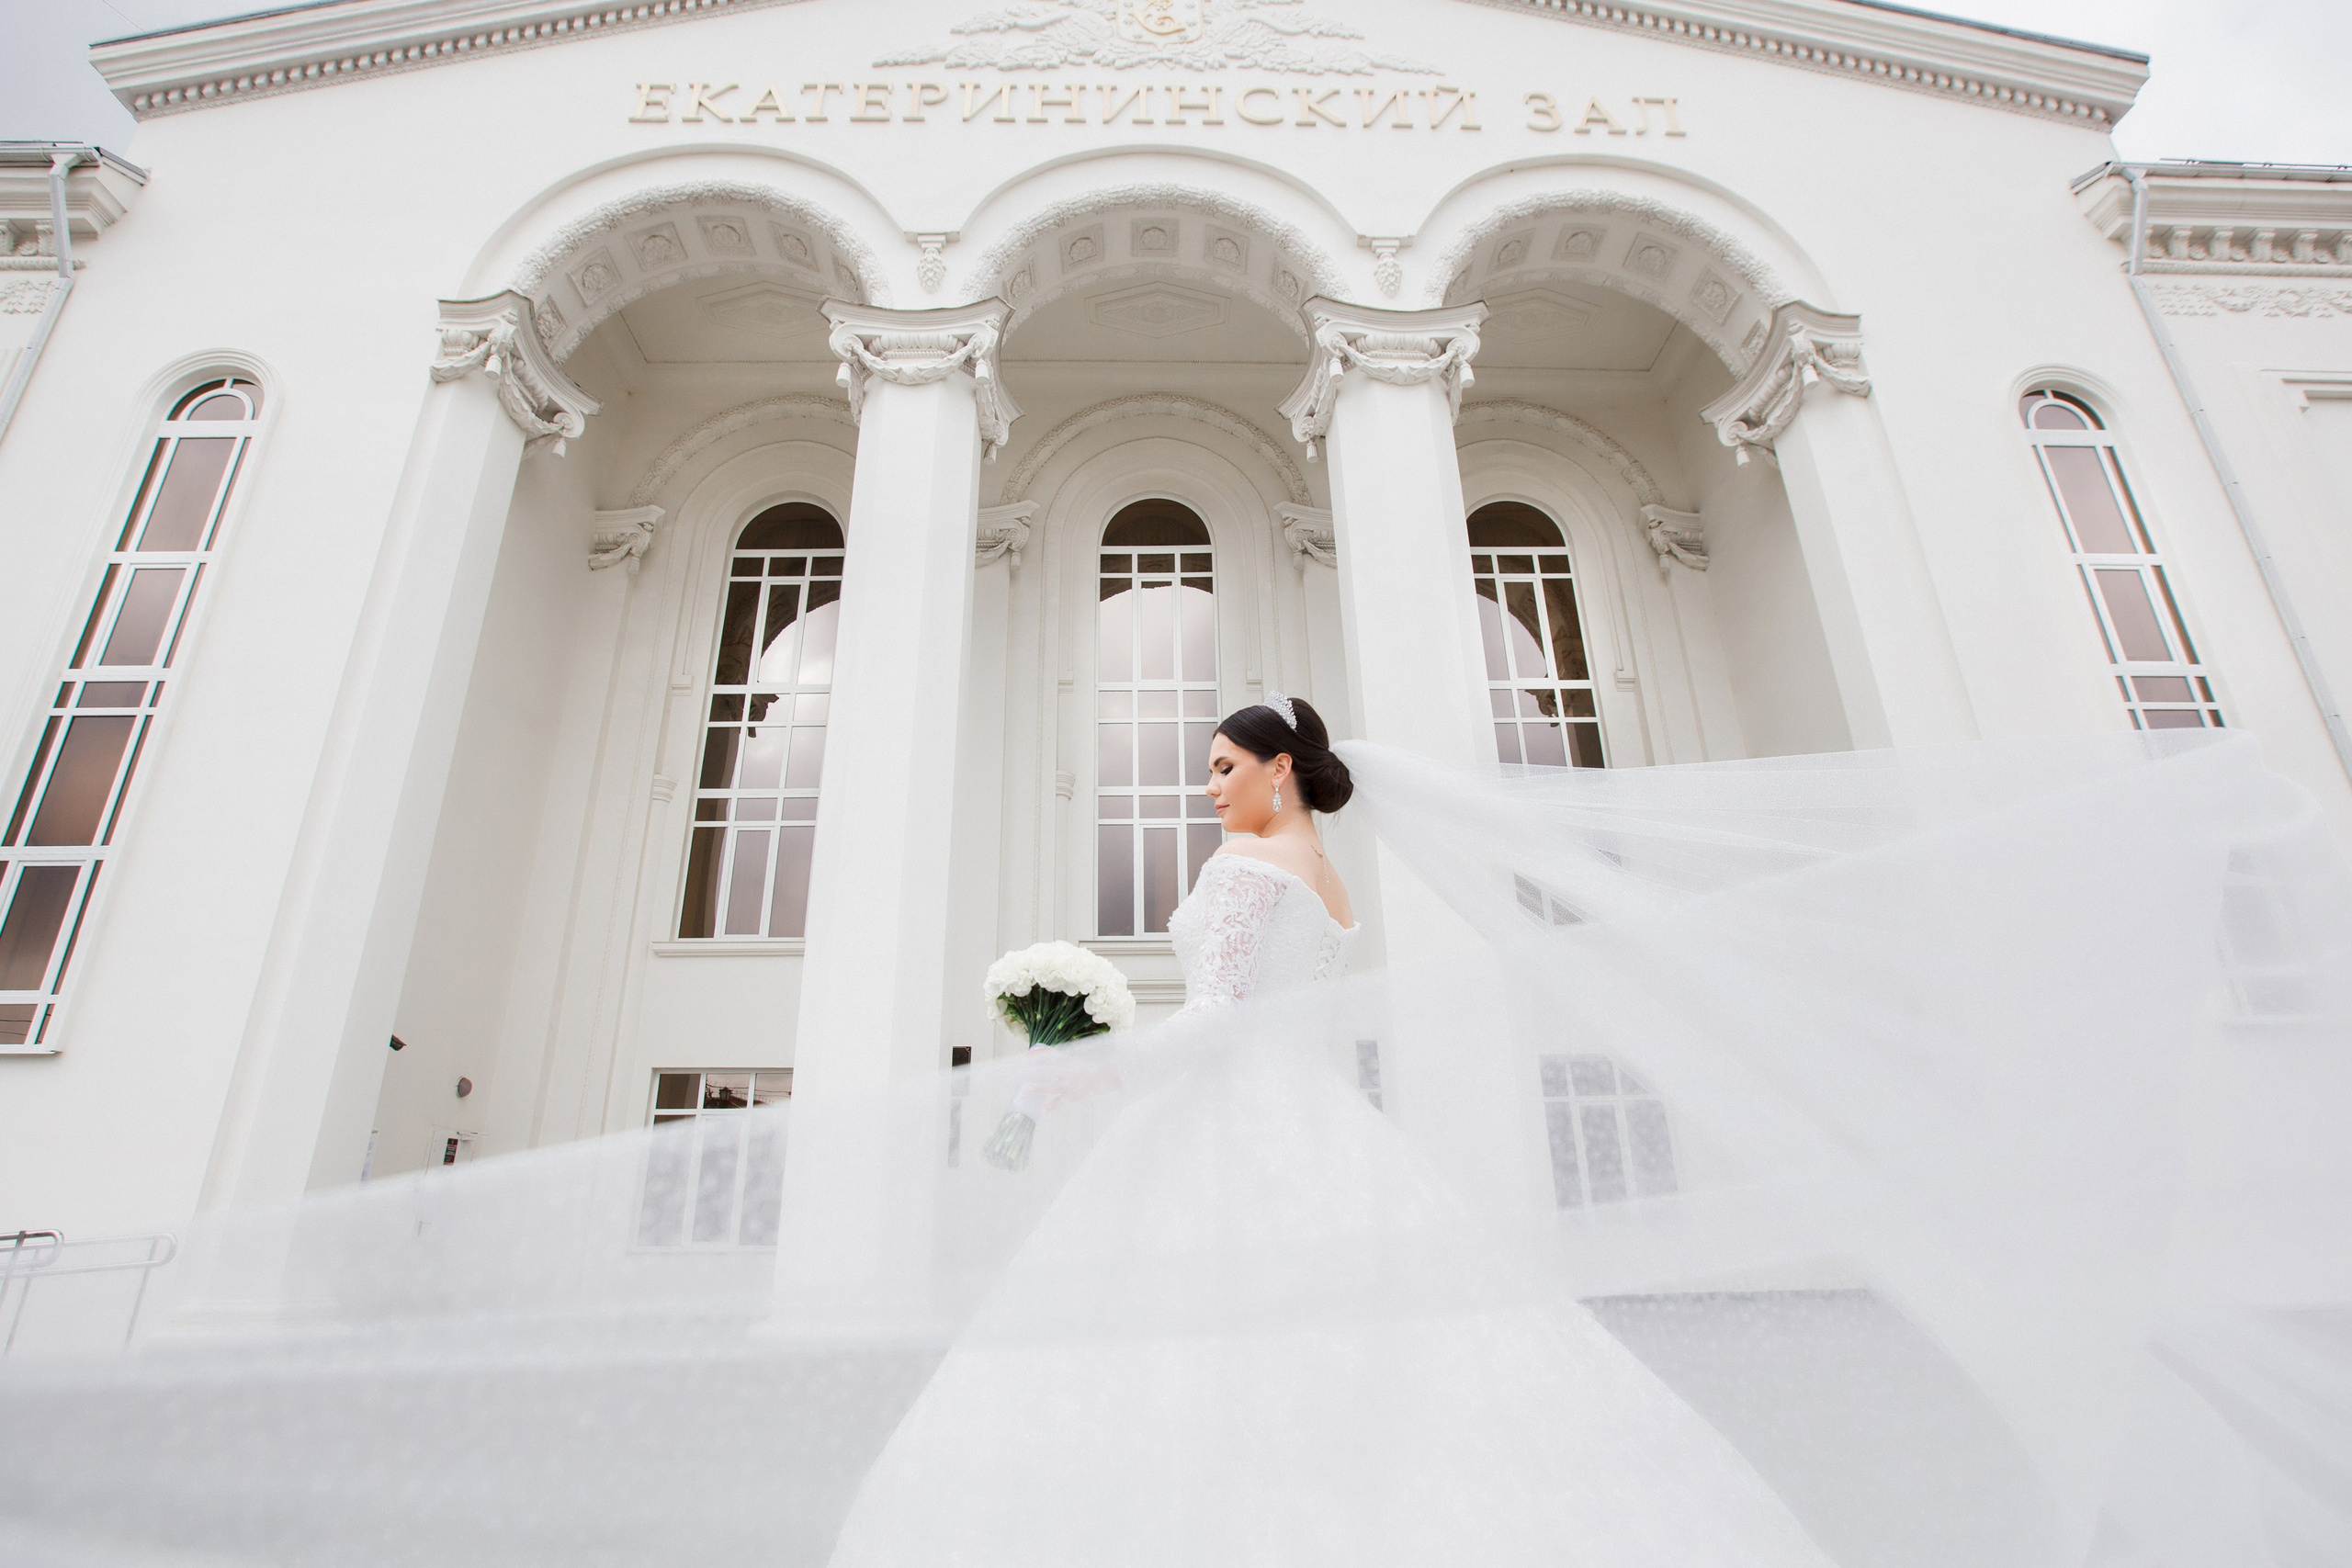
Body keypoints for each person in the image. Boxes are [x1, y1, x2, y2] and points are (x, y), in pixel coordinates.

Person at [823, 694, 1837, 1567]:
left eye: (1224, 768)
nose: (1210, 788)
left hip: (1225, 1124)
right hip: (1319, 1117)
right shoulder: (1323, 871)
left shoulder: (1248, 866)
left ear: (1277, 768)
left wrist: (1091, 1069)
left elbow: (1216, 1014)